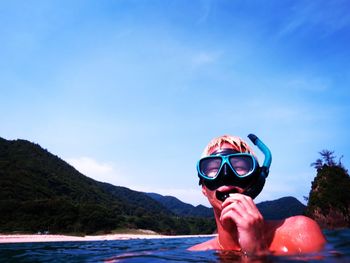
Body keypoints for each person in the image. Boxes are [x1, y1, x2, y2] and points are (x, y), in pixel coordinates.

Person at [189, 134, 326, 256]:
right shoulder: (195, 253)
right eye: (213, 169)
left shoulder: (299, 232)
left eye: (240, 167)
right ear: (203, 187)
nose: (226, 175)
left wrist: (257, 250)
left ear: (256, 181)